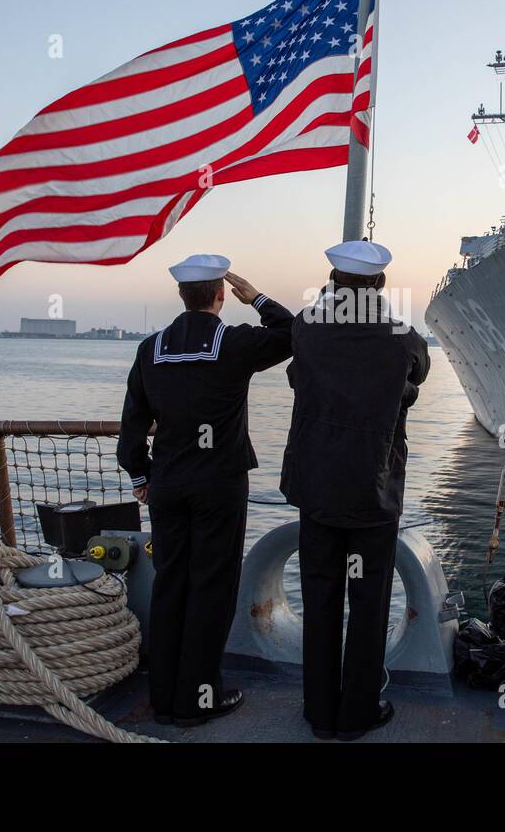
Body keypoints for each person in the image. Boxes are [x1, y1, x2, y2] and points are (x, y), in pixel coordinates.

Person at [117, 254, 293, 726]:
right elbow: (291, 334)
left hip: (167, 484)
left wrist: (139, 476)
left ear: (180, 295)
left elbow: (132, 423)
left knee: (170, 584)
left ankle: (165, 697)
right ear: (220, 295)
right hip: (218, 483)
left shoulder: (151, 348)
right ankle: (199, 699)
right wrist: (255, 296)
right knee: (211, 589)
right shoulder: (233, 343)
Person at [281, 240, 431, 741]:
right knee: (368, 603)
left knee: (319, 599)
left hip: (317, 486)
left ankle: (319, 712)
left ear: (333, 282)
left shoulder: (308, 326)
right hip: (373, 490)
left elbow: (297, 373)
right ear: (380, 284)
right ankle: (358, 713)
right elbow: (418, 374)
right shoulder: (401, 337)